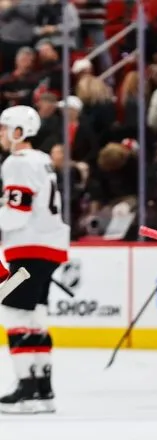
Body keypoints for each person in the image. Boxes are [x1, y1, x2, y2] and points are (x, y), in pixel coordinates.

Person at [0, 105, 69, 414]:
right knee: (35, 317)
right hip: (48, 247)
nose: (1, 135)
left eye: (4, 128)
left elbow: (16, 214)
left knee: (13, 313)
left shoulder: (16, 162)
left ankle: (26, 390)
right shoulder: (41, 160)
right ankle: (43, 391)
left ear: (19, 132)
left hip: (29, 248)